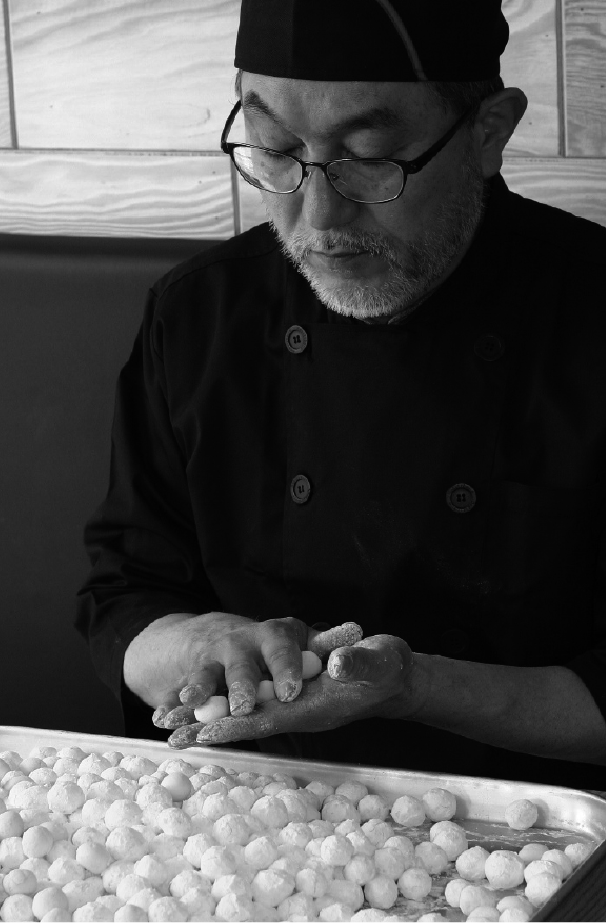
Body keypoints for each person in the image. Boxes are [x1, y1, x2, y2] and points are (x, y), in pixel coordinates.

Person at [77, 0, 606, 789]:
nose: (319, 217)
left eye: (368, 157)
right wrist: (196, 643)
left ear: (488, 132)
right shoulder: (197, 317)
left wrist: (416, 686)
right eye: (277, 149)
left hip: (535, 818)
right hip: (251, 813)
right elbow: (124, 593)